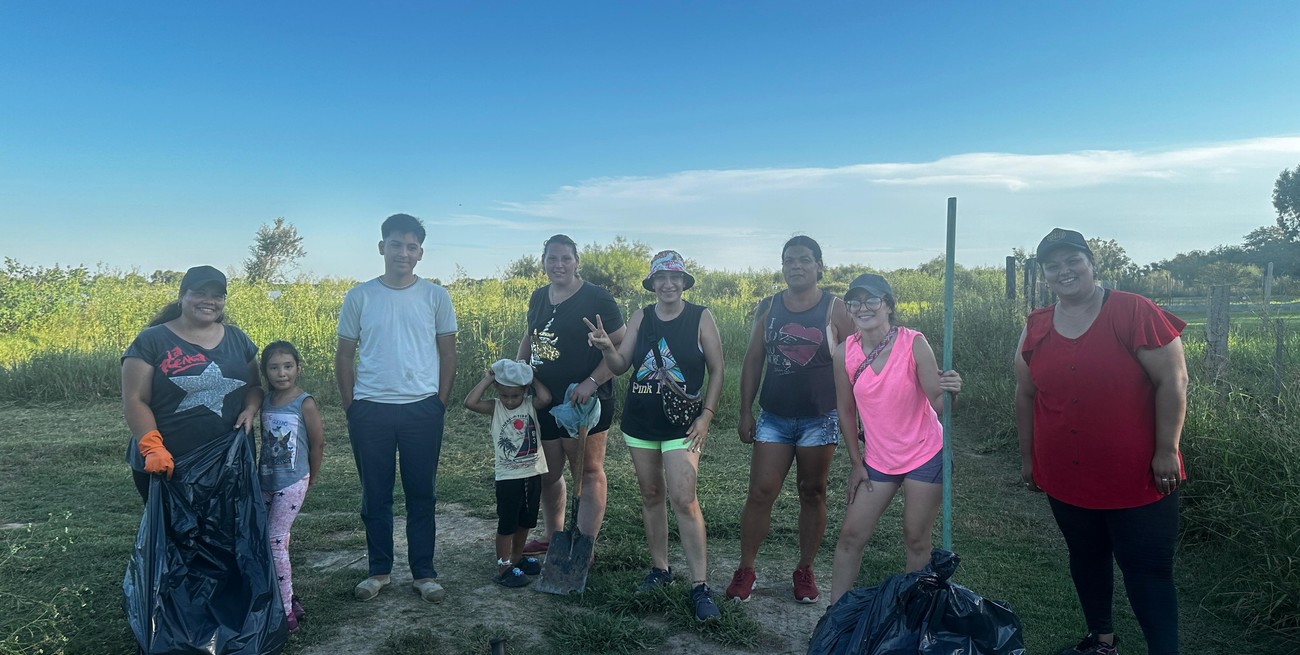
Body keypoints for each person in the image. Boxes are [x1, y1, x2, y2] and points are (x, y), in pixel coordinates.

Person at [1015, 228, 1188, 655]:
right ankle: (1101, 640)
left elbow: (1174, 380)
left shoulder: (1135, 311)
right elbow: (1025, 394)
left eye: (1072, 260)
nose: (1064, 270)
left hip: (1138, 475)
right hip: (1066, 475)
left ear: (1092, 264)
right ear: (1044, 275)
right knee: (1086, 558)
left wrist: (1167, 449)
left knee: (1147, 571)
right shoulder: (1036, 326)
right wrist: (1028, 458)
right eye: (1052, 265)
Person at [585, 250, 725, 622]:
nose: (667, 284)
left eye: (674, 278)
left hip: (683, 424)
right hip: (640, 422)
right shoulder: (641, 317)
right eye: (661, 278)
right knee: (651, 496)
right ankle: (660, 569)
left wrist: (706, 417)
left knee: (683, 498)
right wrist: (607, 348)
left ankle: (700, 585)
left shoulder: (700, 317)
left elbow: (718, 369)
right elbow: (620, 366)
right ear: (652, 283)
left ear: (683, 282)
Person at [336, 213, 458, 604]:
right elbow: (344, 356)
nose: (402, 253)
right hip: (370, 409)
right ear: (381, 247)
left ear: (420, 253)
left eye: (411, 246)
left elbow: (448, 353)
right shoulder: (360, 296)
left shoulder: (436, 296)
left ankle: (424, 574)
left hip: (422, 409)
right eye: (395, 244)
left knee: (422, 493)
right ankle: (379, 571)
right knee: (376, 494)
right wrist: (351, 405)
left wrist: (439, 402)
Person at [728, 235, 855, 603]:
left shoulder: (836, 308)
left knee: (812, 492)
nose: (795, 266)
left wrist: (856, 415)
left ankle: (805, 569)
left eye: (803, 259)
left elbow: (854, 363)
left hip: (820, 418)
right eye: (788, 260)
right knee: (760, 492)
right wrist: (745, 410)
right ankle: (746, 568)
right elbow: (753, 360)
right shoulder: (768, 306)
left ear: (819, 266)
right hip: (774, 417)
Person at [827, 273, 963, 605]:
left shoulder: (914, 343)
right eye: (855, 302)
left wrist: (951, 391)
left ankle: (910, 616)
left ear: (888, 305)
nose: (863, 307)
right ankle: (833, 616)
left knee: (916, 539)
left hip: (925, 454)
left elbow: (939, 403)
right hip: (878, 460)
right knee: (850, 536)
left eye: (871, 299)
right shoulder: (845, 352)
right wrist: (856, 463)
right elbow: (845, 410)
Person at [515, 235, 625, 557]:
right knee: (549, 474)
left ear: (577, 261)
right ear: (544, 261)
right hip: (544, 399)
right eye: (552, 258)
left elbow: (620, 346)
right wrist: (520, 370)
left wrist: (591, 381)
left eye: (565, 258)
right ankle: (554, 536)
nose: (558, 264)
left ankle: (584, 547)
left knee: (587, 471)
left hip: (585, 401)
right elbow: (530, 337)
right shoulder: (538, 297)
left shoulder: (597, 298)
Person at [122, 265, 262, 501]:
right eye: (200, 292)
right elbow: (135, 399)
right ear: (182, 296)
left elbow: (254, 387)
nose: (209, 301)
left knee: (226, 534)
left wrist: (250, 409)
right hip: (168, 463)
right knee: (171, 534)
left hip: (227, 463)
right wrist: (152, 447)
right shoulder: (151, 340)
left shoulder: (238, 338)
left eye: (217, 295)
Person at [463, 359, 553, 588]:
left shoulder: (530, 404)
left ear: (525, 390)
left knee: (526, 521)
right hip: (507, 478)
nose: (510, 401)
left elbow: (546, 398)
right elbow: (470, 402)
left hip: (532, 473)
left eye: (515, 395)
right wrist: (490, 377)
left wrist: (532, 377)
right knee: (507, 523)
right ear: (498, 392)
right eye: (505, 395)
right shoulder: (496, 407)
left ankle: (517, 557)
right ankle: (503, 565)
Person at [258, 340, 324, 633]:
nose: (281, 373)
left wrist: (312, 477)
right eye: (274, 367)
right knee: (266, 540)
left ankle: (286, 614)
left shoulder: (304, 402)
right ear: (265, 371)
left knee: (275, 541)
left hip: (292, 481)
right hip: (266, 480)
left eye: (287, 366)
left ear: (298, 368)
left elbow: (318, 442)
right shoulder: (264, 400)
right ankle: (286, 598)